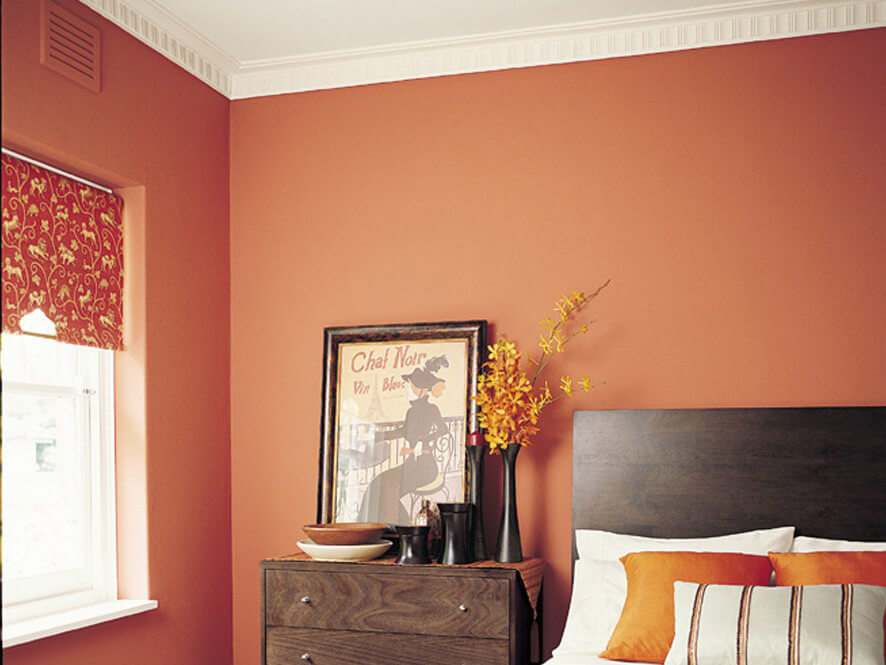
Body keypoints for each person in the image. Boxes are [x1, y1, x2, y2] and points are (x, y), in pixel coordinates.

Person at [357, 355, 451, 524]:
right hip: (411, 464)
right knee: (378, 483)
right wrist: (376, 436)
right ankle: (390, 526)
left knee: (388, 485)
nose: (406, 390)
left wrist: (425, 440)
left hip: (425, 466)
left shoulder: (432, 409)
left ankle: (394, 528)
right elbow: (402, 431)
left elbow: (444, 430)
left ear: (420, 389)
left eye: (409, 387)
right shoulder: (411, 412)